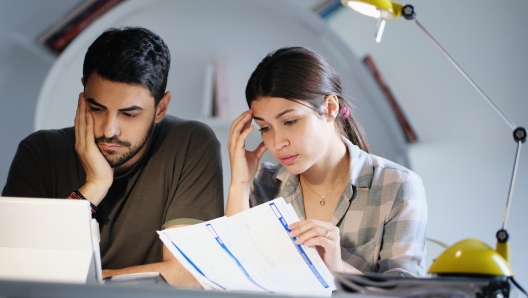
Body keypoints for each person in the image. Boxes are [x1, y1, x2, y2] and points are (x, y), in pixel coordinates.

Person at [2, 27, 224, 286]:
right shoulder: (40, 151)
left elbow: (187, 273)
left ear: (161, 108)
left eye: (129, 114)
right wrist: (93, 187)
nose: (109, 130)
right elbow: (16, 271)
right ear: (82, 98)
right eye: (97, 109)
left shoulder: (190, 143)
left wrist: (84, 283)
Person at [227, 46, 427, 277]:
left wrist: (339, 268)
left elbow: (405, 294)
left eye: (290, 121)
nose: (277, 142)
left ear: (330, 107)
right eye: (265, 128)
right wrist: (240, 184)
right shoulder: (262, 184)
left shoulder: (396, 186)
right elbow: (234, 276)